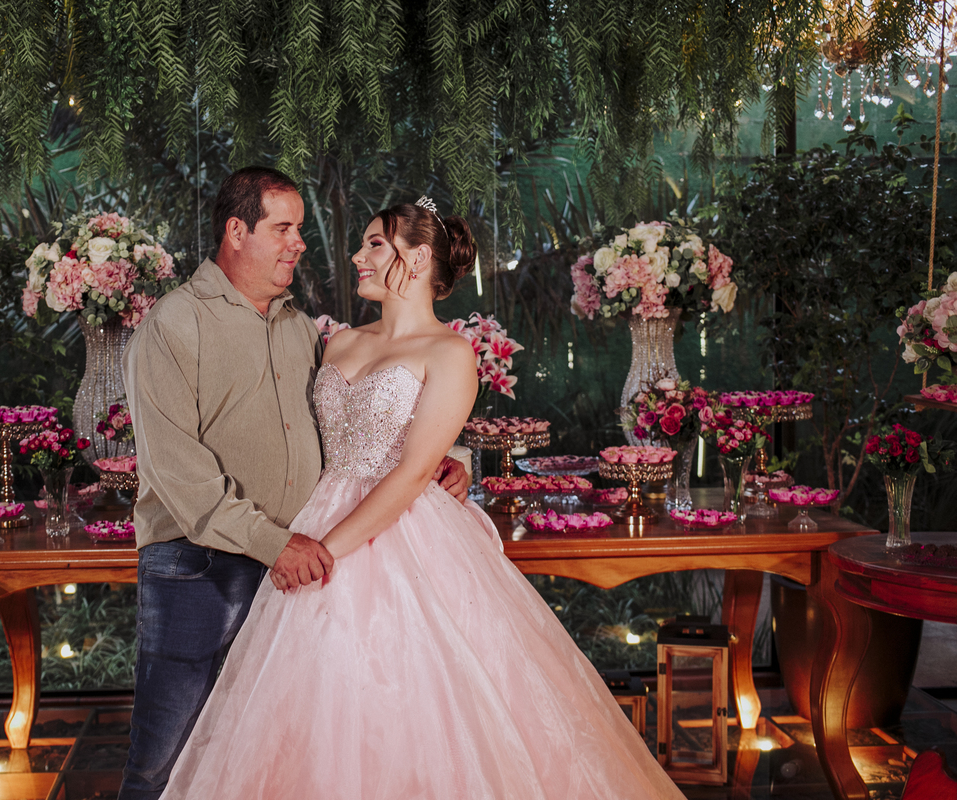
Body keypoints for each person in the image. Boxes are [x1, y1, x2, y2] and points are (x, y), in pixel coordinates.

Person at [159, 199, 688, 799]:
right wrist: (301, 540)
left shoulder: (450, 352)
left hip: (397, 534)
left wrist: (322, 551)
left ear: (417, 258)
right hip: (316, 517)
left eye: (373, 244)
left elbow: (412, 472)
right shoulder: (336, 343)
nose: (357, 256)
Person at [120, 169, 469, 799]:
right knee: (164, 759)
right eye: (284, 228)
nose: (300, 243)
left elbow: (357, 430)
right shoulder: (173, 324)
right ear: (237, 231)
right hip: (199, 564)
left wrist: (446, 458)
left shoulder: (300, 329)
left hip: (297, 565)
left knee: (259, 755)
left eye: (300, 229)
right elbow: (176, 470)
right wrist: (280, 545)